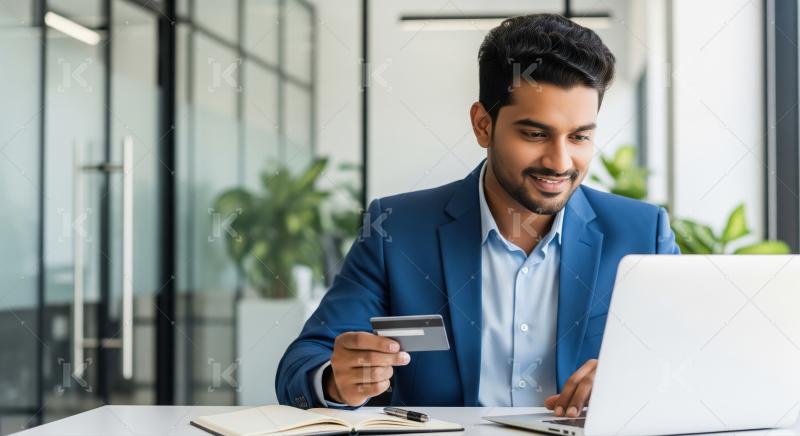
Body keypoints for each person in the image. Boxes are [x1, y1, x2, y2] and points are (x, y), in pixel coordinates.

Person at [276, 13, 679, 417]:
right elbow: (302, 363)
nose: (560, 162)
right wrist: (334, 378)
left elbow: (694, 363)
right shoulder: (396, 230)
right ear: (483, 125)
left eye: (579, 137)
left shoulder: (642, 234)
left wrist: (641, 378)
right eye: (535, 134)